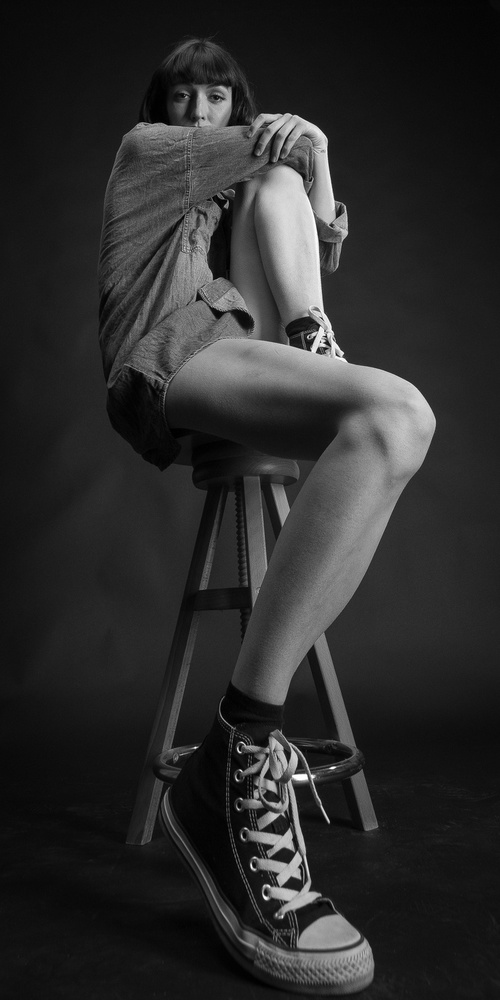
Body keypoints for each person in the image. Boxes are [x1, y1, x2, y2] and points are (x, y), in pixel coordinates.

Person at [98, 36, 435, 995]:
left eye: (218, 98)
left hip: (236, 330)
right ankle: (240, 750)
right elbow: (303, 184)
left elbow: (305, 219)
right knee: (288, 178)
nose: (199, 113)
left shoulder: (234, 188)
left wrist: (304, 170)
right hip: (169, 354)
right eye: (183, 98)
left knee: (396, 419)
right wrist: (310, 146)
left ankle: (312, 342)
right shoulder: (145, 152)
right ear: (160, 111)